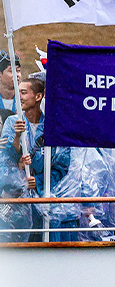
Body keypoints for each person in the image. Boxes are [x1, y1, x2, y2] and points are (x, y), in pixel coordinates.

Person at [1, 78, 72, 241]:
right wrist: (17, 137)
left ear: (38, 96)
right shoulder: (12, 122)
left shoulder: (53, 127)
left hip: (45, 202)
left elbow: (61, 167)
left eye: (24, 92)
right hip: (17, 202)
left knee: (44, 243)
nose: (19, 97)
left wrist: (38, 180)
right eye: (18, 92)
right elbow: (6, 161)